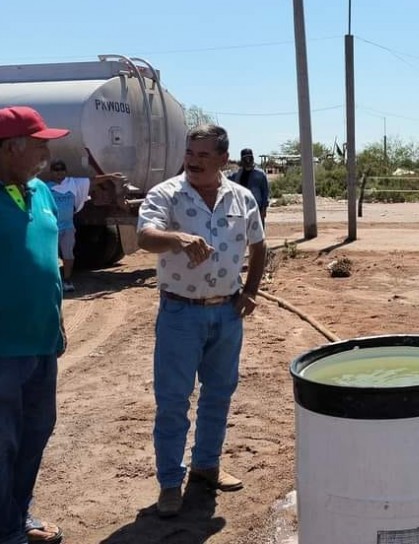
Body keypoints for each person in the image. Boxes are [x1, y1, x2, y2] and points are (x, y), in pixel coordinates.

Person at [137, 124, 267, 518]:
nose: (192, 161)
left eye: (203, 155)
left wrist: (251, 291)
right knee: (173, 400)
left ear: (223, 159)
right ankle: (170, 484)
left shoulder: (243, 198)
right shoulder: (167, 194)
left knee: (219, 393)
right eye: (190, 154)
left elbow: (259, 246)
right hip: (180, 312)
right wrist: (178, 239)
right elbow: (145, 236)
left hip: (227, 313)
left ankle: (207, 467)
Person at [0, 106, 70, 544]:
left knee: (35, 433)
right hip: (3, 349)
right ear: (11, 148)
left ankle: (16, 516)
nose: (48, 151)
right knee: (2, 444)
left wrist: (57, 322)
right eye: (39, 142)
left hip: (42, 342)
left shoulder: (40, 191)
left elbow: (50, 265)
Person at [46, 161, 122, 292]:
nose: (59, 173)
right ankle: (51, 280)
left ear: (65, 172)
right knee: (50, 255)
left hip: (68, 227)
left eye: (61, 170)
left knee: (68, 255)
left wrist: (109, 176)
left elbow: (92, 180)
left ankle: (67, 280)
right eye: (56, 170)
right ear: (51, 173)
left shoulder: (73, 184)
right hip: (51, 227)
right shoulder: (46, 187)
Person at [228, 148, 269, 224]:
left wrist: (264, 209)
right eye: (245, 158)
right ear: (241, 160)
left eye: (249, 158)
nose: (248, 161)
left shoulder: (260, 174)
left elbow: (265, 192)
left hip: (256, 208)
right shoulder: (236, 174)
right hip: (240, 208)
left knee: (257, 233)